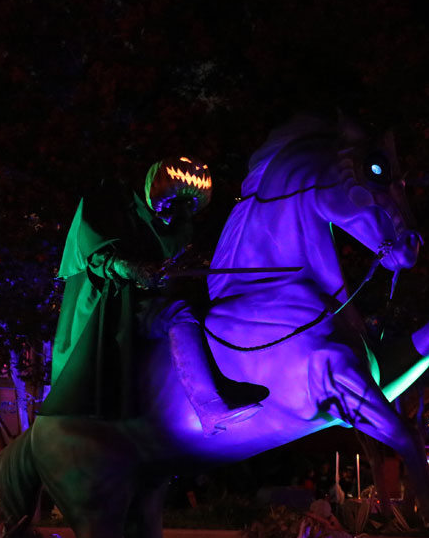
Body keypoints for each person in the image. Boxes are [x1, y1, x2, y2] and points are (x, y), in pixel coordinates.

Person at [39, 156, 263, 435]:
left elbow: (170, 248)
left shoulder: (147, 215)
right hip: (115, 310)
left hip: (141, 301)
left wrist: (182, 215)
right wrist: (132, 268)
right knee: (178, 313)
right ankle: (207, 406)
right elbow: (96, 254)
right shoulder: (105, 199)